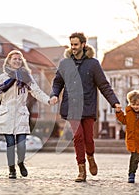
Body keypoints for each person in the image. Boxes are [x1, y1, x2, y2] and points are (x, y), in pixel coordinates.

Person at [50, 32, 121, 182]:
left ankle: (91, 157)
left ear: (83, 44)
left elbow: (103, 85)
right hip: (72, 107)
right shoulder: (65, 63)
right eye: (71, 45)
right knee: (78, 136)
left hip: (88, 106)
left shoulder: (93, 64)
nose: (73, 48)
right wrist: (54, 94)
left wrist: (114, 102)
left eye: (76, 44)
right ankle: (81, 170)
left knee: (89, 138)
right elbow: (57, 82)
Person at [0, 50, 54, 179]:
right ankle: (12, 169)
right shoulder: (2, 78)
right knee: (10, 144)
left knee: (21, 144)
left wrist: (48, 100)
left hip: (21, 113)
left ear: (22, 62)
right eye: (14, 59)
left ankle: (21, 163)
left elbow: (36, 92)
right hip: (6, 114)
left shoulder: (26, 77)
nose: (17, 61)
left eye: (19, 59)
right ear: (9, 61)